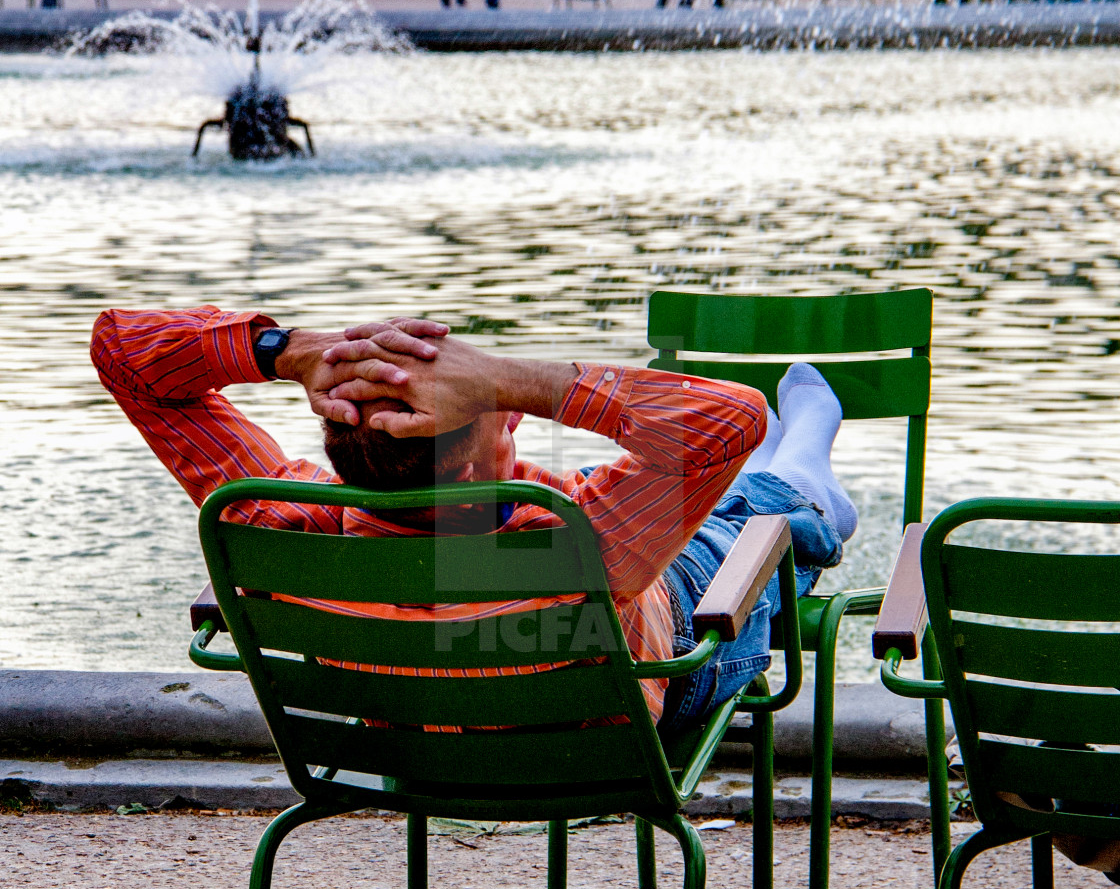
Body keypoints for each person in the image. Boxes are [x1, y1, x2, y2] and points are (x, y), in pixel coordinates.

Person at [91, 309, 857, 738]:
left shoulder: (279, 524)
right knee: (758, 525)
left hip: (420, 751)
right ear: (467, 462)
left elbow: (122, 349)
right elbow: (732, 417)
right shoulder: (579, 542)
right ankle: (809, 482)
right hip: (653, 681)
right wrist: (505, 373)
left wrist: (289, 351)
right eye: (490, 404)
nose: (512, 408)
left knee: (656, 497)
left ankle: (797, 474)